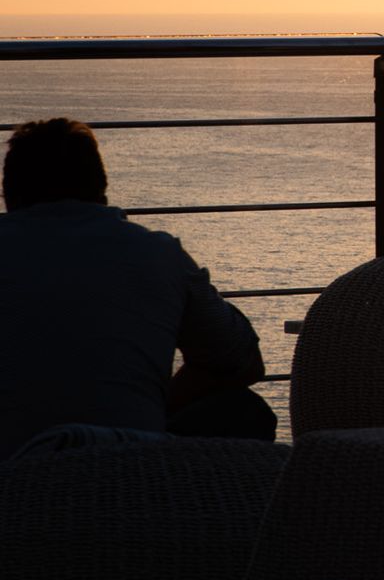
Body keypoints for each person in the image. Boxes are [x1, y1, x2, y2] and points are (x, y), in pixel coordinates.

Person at [0, 118, 274, 458]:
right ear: (100, 188)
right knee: (243, 412)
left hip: (13, 477)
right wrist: (155, 408)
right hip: (129, 468)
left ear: (9, 195)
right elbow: (241, 361)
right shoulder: (159, 254)